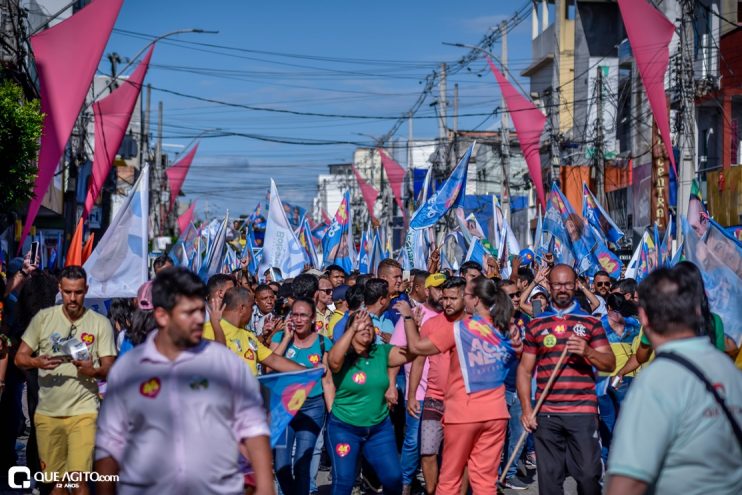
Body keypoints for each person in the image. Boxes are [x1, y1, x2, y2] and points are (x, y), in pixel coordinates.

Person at [94, 267, 274, 495]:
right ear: (161, 315)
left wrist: (265, 486)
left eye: (201, 311)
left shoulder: (225, 364)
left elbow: (253, 428)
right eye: (189, 313)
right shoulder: (129, 370)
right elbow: (110, 443)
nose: (199, 320)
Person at [606, 267, 742, 495]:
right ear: (697, 311)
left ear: (646, 318)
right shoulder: (732, 376)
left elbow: (627, 482)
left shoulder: (656, 382)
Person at [402, 276, 522, 495]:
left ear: (476, 300)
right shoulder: (508, 330)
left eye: (466, 295)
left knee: (449, 480)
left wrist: (409, 318)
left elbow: (418, 347)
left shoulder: (460, 328)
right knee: (485, 483)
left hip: (463, 414)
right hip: (496, 414)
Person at [15, 266, 117, 495]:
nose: (73, 298)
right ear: (59, 290)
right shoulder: (43, 320)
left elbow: (110, 367)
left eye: (78, 292)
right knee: (56, 484)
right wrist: (37, 362)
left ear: (86, 290)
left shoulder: (100, 323)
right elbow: (19, 358)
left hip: (84, 411)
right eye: (68, 292)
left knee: (79, 482)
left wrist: (93, 371)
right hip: (49, 413)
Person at [516, 264, 615, 495]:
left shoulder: (590, 322)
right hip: (547, 414)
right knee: (549, 482)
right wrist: (526, 409)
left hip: (582, 412)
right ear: (549, 286)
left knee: (589, 476)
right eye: (558, 284)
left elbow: (610, 364)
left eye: (568, 284)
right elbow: (524, 370)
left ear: (575, 285)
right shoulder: (537, 323)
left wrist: (588, 352)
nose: (563, 289)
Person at [326, 309, 413, 495]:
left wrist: (410, 321)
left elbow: (412, 353)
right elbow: (333, 362)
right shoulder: (343, 357)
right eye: (360, 326)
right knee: (344, 482)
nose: (366, 328)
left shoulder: (381, 352)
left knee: (393, 478)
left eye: (369, 326)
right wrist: (351, 330)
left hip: (379, 430)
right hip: (345, 429)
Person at [270, 298, 334, 495]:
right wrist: (287, 339)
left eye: (303, 315)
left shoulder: (324, 342)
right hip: (282, 407)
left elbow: (328, 381)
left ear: (312, 318)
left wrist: (333, 414)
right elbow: (269, 365)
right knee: (281, 466)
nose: (298, 320)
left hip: (312, 407)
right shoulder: (280, 337)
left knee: (302, 462)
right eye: (294, 315)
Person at [388, 272, 444, 494]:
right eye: (438, 289)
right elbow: (395, 353)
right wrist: (392, 385)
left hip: (445, 393)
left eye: (446, 289)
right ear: (427, 290)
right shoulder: (414, 315)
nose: (443, 294)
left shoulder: (453, 317)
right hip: (419, 392)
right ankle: (404, 484)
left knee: (439, 445)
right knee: (413, 441)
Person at [412, 277, 467, 494]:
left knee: (461, 455)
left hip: (463, 401)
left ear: (465, 297)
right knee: (427, 452)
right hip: (433, 397)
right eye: (444, 298)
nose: (447, 303)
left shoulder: (472, 324)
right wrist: (411, 395)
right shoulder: (430, 324)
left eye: (453, 298)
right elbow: (418, 359)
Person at [203, 287, 302, 376]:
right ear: (242, 308)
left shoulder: (247, 335)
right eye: (251, 307)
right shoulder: (207, 330)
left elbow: (274, 360)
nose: (252, 311)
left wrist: (311, 372)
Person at [596, 293, 641, 464]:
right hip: (625, 376)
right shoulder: (634, 324)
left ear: (607, 307)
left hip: (604, 378)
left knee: (608, 422)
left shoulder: (598, 324)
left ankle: (604, 463)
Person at [498, 279, 532, 490]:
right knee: (497, 437)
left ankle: (508, 474)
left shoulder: (525, 320)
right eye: (510, 296)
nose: (516, 299)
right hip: (498, 388)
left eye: (517, 294)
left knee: (519, 433)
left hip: (521, 388)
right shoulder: (491, 323)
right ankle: (490, 474)